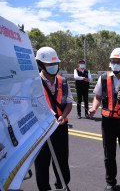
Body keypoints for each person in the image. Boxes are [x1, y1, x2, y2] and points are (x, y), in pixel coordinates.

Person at [89, 48, 120, 191]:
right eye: (113, 61)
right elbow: (98, 96)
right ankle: (110, 181)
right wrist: (94, 108)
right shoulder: (104, 78)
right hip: (107, 122)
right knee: (109, 153)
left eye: (119, 62)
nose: (115, 64)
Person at [35, 47, 73, 191]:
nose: (53, 66)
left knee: (62, 160)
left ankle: (62, 185)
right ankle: (44, 188)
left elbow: (69, 102)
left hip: (60, 126)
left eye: (55, 63)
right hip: (41, 129)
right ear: (40, 65)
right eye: (49, 64)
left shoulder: (62, 81)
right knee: (42, 163)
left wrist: (63, 116)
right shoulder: (34, 82)